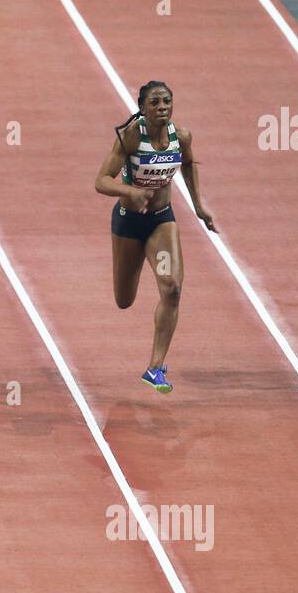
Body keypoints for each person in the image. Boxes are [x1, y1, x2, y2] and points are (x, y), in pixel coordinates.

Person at [94, 81, 215, 393]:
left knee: (172, 288)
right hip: (129, 223)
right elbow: (101, 181)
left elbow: (188, 165)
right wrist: (129, 191)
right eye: (155, 103)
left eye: (167, 102)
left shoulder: (181, 136)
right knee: (124, 300)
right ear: (143, 109)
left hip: (161, 221)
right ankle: (153, 362)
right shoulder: (131, 137)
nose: (162, 107)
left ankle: (155, 368)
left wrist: (199, 206)